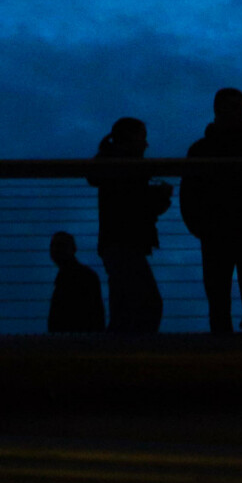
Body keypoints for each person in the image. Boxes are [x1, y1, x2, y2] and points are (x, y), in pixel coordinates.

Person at [179, 88, 242, 334]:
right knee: (220, 292)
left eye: (241, 106)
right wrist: (198, 225)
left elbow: (189, 189)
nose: (239, 111)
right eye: (234, 106)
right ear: (219, 109)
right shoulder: (204, 148)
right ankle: (228, 340)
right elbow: (189, 190)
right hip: (219, 228)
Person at [87, 117, 172, 334]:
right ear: (130, 138)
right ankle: (135, 351)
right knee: (147, 305)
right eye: (142, 137)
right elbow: (135, 205)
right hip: (124, 243)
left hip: (117, 243)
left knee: (125, 309)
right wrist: (160, 196)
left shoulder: (114, 164)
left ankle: (122, 350)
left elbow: (130, 203)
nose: (146, 144)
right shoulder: (125, 166)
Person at [47, 231, 106, 333]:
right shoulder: (85, 276)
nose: (55, 249)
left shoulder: (81, 277)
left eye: (60, 245)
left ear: (73, 249)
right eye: (53, 246)